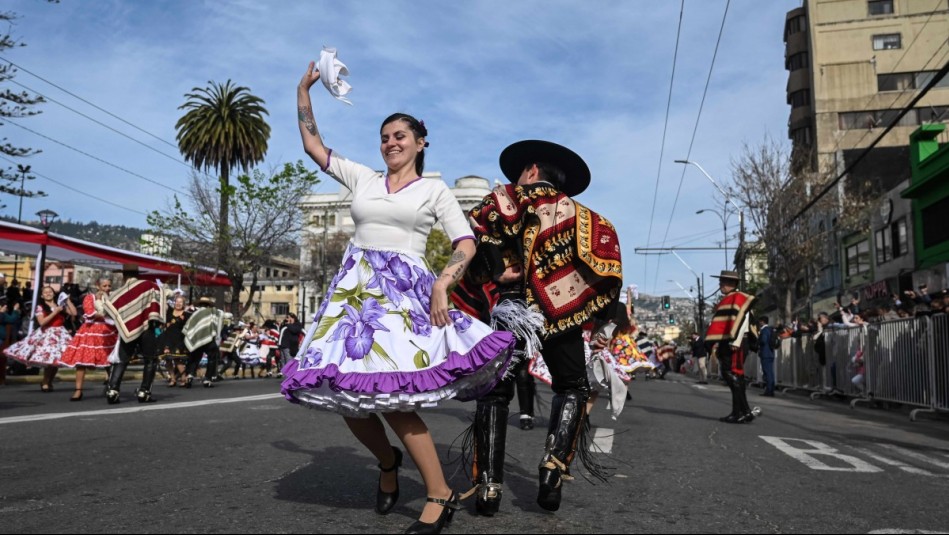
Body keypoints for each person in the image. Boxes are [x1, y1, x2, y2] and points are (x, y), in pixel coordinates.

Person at [280, 61, 514, 535]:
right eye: (384, 136)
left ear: (420, 142)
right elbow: (313, 145)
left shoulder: (434, 191)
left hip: (402, 296)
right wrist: (303, 91)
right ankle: (388, 463)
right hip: (352, 297)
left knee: (395, 400)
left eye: (399, 135)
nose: (390, 142)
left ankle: (439, 493)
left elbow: (465, 243)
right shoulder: (363, 179)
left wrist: (443, 283)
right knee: (348, 399)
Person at [461, 139, 623, 512]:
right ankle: (553, 470)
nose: (517, 179)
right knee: (573, 387)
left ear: (532, 170)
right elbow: (608, 267)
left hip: (513, 309)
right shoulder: (587, 217)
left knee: (495, 393)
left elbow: (478, 248)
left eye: (521, 172)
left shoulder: (501, 203)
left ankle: (488, 487)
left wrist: (500, 273)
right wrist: (597, 321)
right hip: (561, 311)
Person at [102, 265, 164, 404]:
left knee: (122, 360)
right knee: (150, 360)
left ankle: (112, 390)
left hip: (127, 330)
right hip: (147, 328)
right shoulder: (149, 285)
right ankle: (144, 392)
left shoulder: (118, 292)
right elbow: (159, 297)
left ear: (124, 276)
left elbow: (108, 310)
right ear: (138, 274)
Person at [705, 270, 757, 424]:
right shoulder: (731, 298)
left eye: (723, 282)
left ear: (732, 284)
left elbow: (744, 319)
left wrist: (735, 340)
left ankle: (743, 411)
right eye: (721, 281)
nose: (720, 284)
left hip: (735, 342)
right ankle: (740, 411)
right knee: (734, 375)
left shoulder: (738, 297)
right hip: (731, 341)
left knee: (732, 374)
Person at [58, 277, 119, 401]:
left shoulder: (112, 297)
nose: (107, 288)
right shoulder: (89, 297)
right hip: (90, 331)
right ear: (98, 286)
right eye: (104, 286)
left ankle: (112, 386)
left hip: (107, 331)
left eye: (109, 286)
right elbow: (90, 313)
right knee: (82, 361)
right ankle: (78, 390)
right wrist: (103, 311)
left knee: (110, 361)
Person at [4, 286, 74, 391]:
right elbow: (42, 322)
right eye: (45, 292)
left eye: (50, 291)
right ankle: (45, 381)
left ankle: (49, 381)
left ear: (54, 294)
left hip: (60, 334)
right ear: (42, 295)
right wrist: (55, 312)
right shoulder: (40, 307)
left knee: (57, 361)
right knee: (50, 360)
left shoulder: (60, 305)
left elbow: (74, 313)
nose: (48, 294)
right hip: (47, 334)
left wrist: (67, 300)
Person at [182, 296, 224, 388]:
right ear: (208, 304)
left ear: (200, 304)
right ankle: (207, 379)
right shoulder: (212, 312)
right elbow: (222, 317)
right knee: (212, 357)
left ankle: (190, 376)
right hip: (208, 339)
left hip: (196, 339)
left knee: (194, 358)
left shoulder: (195, 314)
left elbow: (188, 327)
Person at [757, 316, 776, 397]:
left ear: (762, 322)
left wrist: (758, 341)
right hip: (770, 353)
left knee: (767, 372)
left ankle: (768, 390)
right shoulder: (770, 329)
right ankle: (771, 389)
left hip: (765, 353)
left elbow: (764, 341)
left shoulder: (764, 330)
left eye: (760, 321)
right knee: (770, 372)